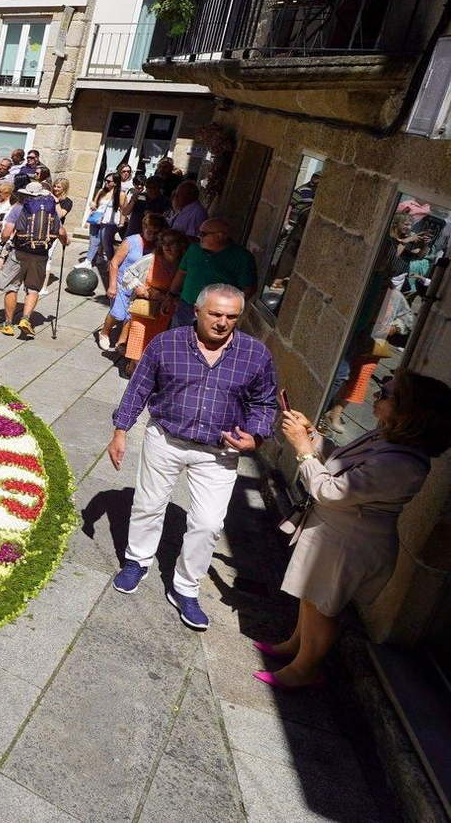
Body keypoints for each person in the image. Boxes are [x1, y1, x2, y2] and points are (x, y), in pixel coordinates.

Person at [261, 372, 451, 688]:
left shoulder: (404, 464)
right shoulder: (387, 437)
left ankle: (305, 669)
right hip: (335, 532)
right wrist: (313, 438)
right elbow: (341, 461)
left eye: (386, 394)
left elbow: (331, 490)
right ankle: (295, 647)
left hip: (351, 543)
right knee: (311, 595)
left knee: (324, 605)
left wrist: (303, 450)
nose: (376, 396)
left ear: (409, 411)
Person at [108, 285, 278, 630]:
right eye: (215, 314)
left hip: (219, 451)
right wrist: (121, 430)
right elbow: (139, 386)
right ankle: (136, 561)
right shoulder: (167, 343)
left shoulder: (255, 355)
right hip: (166, 438)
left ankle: (185, 588)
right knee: (148, 504)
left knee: (209, 523)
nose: (222, 322)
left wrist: (256, 435)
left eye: (231, 316)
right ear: (198, 311)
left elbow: (265, 402)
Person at [0, 180, 68, 339]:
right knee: (33, 288)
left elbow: (7, 232)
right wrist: (66, 242)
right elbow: (61, 232)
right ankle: (25, 319)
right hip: (41, 254)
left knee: (12, 287)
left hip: (20, 252)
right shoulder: (48, 210)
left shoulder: (18, 208)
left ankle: (8, 324)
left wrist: (3, 240)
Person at [167, 218, 257, 329]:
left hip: (215, 315)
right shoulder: (194, 249)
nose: (199, 237)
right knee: (176, 342)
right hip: (186, 308)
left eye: (203, 234)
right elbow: (182, 272)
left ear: (220, 236)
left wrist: (229, 309)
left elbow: (249, 288)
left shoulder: (243, 258)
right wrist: (170, 295)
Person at [123, 228, 187, 378]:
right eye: (164, 242)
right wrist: (138, 287)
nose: (167, 246)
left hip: (167, 311)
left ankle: (148, 370)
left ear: (181, 245)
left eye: (172, 243)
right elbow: (128, 274)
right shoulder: (151, 259)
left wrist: (170, 297)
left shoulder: (184, 265)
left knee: (156, 341)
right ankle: (133, 368)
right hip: (144, 307)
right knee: (138, 337)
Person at [102, 213, 165, 352]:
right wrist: (112, 286)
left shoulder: (157, 246)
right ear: (143, 227)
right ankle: (104, 333)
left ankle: (121, 343)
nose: (152, 235)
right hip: (122, 283)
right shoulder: (131, 241)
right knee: (118, 313)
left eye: (156, 233)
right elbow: (114, 264)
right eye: (149, 231)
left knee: (130, 316)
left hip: (139, 287)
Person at [85, 173, 124, 266]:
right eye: (105, 180)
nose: (106, 182)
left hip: (109, 221)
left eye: (109, 181)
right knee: (93, 240)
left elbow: (123, 209)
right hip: (97, 219)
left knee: (105, 241)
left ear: (115, 183)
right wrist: (92, 203)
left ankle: (111, 261)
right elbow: (94, 202)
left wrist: (121, 222)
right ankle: (88, 261)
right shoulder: (102, 191)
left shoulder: (120, 194)